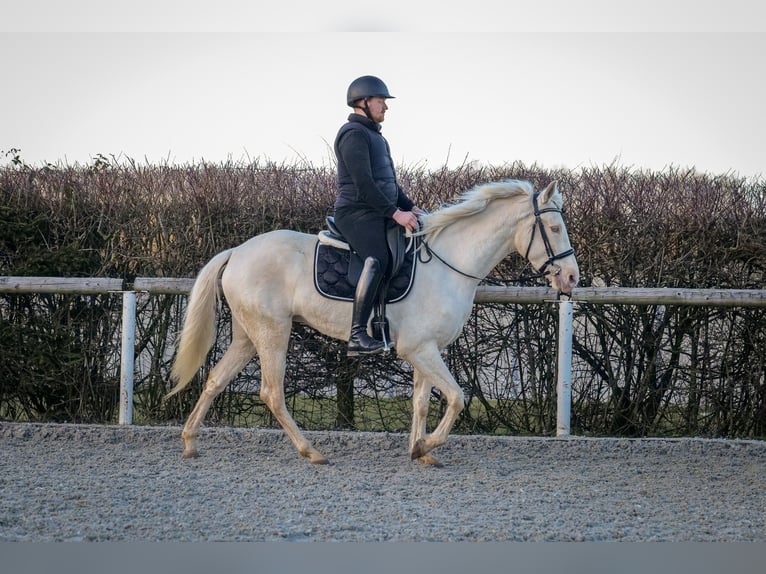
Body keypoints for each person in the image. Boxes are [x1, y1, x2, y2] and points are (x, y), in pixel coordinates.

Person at [333, 75, 424, 356]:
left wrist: (410, 206)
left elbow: (388, 184)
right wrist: (395, 214)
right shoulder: (353, 134)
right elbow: (365, 184)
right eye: (380, 101)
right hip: (355, 212)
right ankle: (357, 335)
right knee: (378, 257)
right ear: (363, 102)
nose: (386, 107)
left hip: (375, 210)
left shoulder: (376, 137)